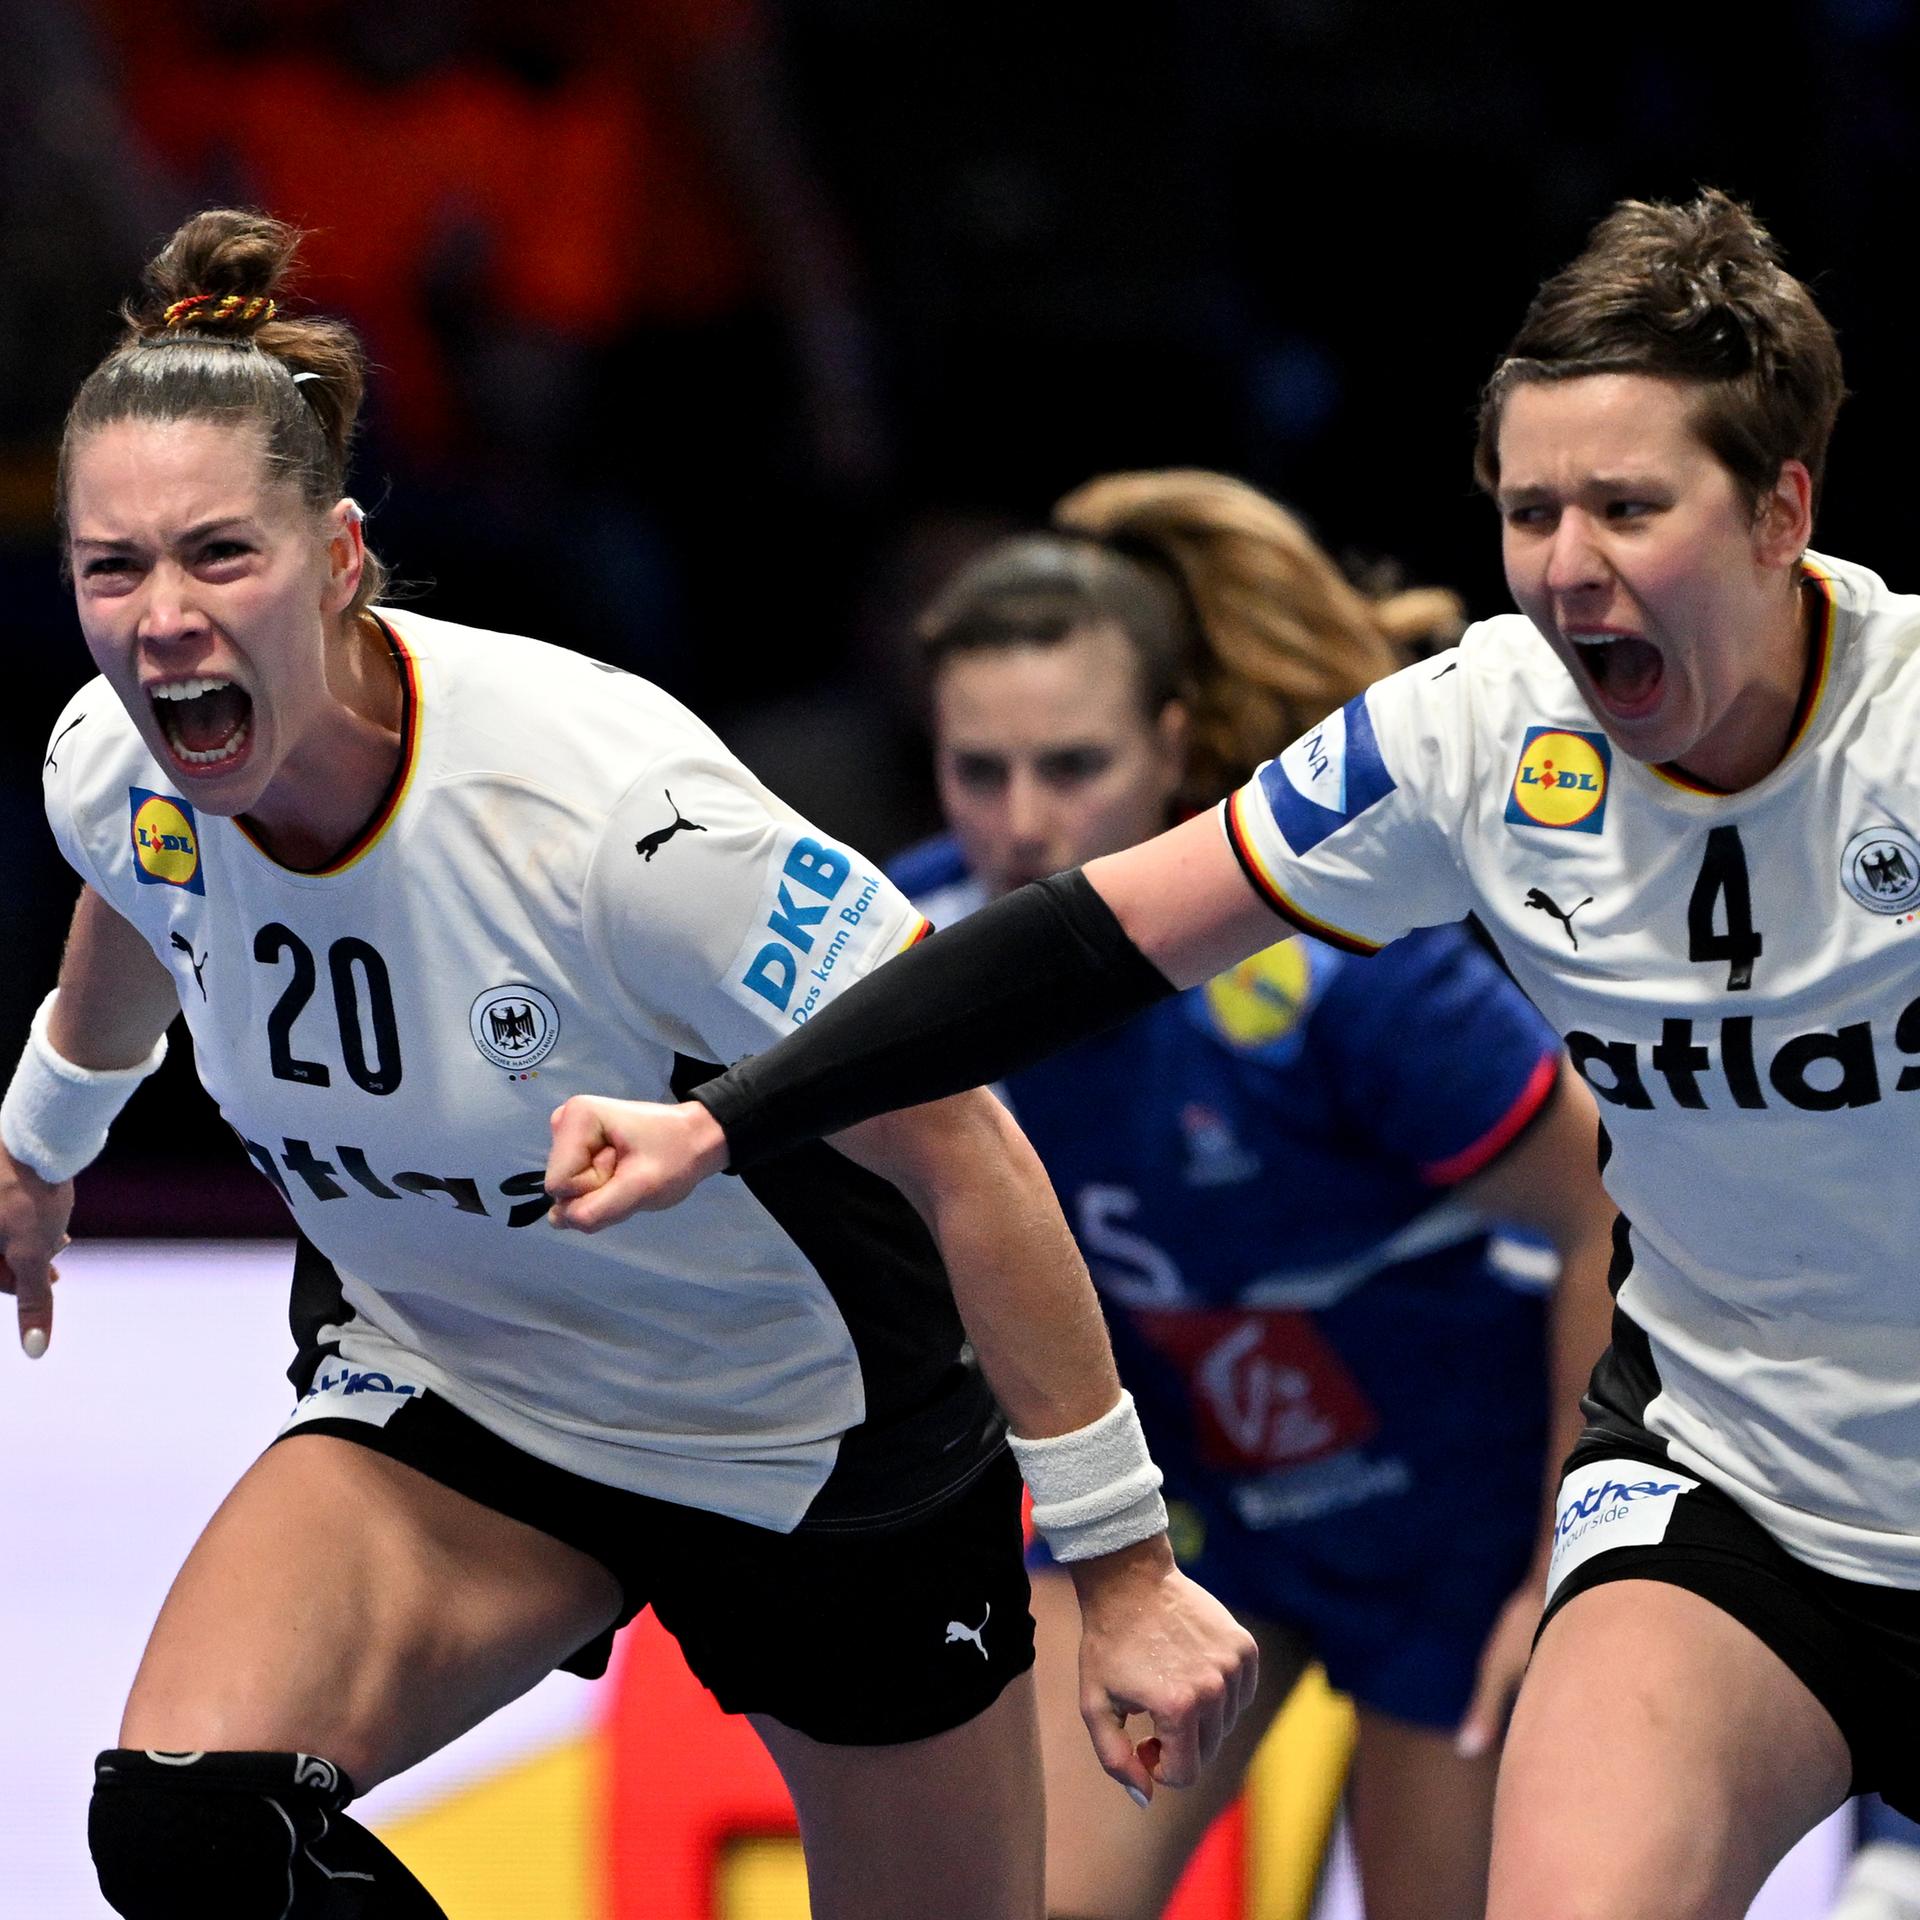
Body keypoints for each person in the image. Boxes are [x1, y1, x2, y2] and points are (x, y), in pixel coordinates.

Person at [543, 188, 1920, 1917]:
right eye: (1530, 510)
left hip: (1484, 1490)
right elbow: (1074, 943)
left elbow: (1561, 1197)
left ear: (1785, 512)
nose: (1570, 567)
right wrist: (731, 1122)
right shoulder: (1480, 728)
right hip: (1730, 1487)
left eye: (1630, 508)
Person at [0, 209, 1256, 1920]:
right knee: (187, 1830)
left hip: (813, 1441)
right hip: (468, 1396)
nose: (159, 623)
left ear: (345, 555)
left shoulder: (612, 820)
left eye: (222, 556)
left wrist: (1118, 1561)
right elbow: (136, 901)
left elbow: (964, 1143)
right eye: (111, 569)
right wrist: (40, 1138)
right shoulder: (118, 761)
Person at [882, 469, 1617, 1920]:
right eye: (979, 772)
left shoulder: (1341, 968)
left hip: (1460, 1529)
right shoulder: (910, 955)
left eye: (1074, 766)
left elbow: (1606, 1209)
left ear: (1171, 746)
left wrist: (1565, 1579)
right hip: (1195, 1513)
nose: (1022, 825)